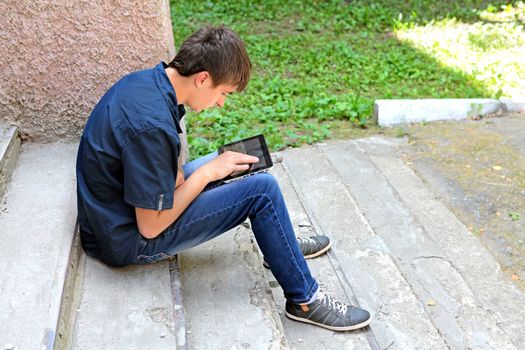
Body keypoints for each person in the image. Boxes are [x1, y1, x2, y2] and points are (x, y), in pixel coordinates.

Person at [76, 25, 371, 331]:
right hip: (126, 238)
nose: (221, 103)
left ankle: (281, 247)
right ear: (203, 78)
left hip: (118, 208)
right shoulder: (152, 127)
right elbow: (150, 227)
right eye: (223, 93)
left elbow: (160, 166)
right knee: (261, 190)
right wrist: (206, 174)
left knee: (230, 163)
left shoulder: (151, 83)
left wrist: (205, 171)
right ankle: (304, 300)